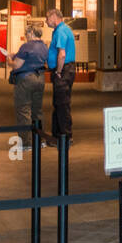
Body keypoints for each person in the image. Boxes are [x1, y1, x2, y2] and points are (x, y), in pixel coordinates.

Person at [10, 22, 48, 148]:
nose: (26, 36)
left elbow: (16, 65)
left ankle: (26, 143)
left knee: (23, 110)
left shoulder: (26, 46)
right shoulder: (44, 46)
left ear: (31, 33)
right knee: (37, 110)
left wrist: (9, 60)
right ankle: (41, 140)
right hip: (40, 78)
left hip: (25, 79)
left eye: (26, 33)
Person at [44, 8, 76, 144]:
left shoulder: (61, 31)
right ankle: (57, 135)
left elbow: (62, 54)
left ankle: (66, 137)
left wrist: (58, 71)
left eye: (47, 18)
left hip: (63, 71)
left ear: (54, 17)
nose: (46, 21)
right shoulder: (60, 30)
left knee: (62, 105)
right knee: (58, 103)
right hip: (65, 70)